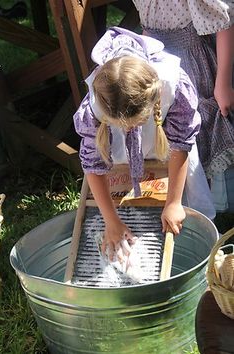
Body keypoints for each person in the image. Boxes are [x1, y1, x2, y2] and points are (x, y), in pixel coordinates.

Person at [74, 27, 215, 257]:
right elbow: (93, 165)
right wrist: (111, 221)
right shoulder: (96, 105)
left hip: (167, 148)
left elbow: (180, 143)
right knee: (127, 212)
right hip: (120, 156)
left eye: (134, 123)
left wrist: (173, 202)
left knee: (181, 208)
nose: (129, 129)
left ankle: (188, 249)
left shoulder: (173, 85)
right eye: (123, 125)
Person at [131, 0, 234, 212]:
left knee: (201, 123)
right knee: (169, 129)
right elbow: (148, 30)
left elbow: (225, 23)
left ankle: (213, 200)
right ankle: (181, 197)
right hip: (160, 67)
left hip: (194, 64)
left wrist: (223, 83)